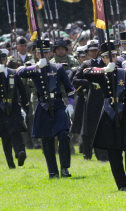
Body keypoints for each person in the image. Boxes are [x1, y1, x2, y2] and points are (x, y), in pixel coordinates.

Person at [83, 42, 126, 191]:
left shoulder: (125, 73)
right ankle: (121, 184)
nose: (112, 58)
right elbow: (86, 72)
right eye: (108, 56)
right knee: (113, 150)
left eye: (114, 55)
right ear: (103, 59)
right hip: (109, 113)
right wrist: (103, 69)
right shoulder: (101, 73)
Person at [17, 40, 76, 178]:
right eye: (40, 52)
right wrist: (36, 67)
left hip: (58, 105)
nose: (43, 54)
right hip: (42, 106)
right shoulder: (33, 68)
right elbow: (19, 73)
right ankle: (53, 171)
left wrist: (71, 104)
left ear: (50, 53)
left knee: (63, 135)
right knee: (47, 140)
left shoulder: (58, 68)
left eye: (46, 52)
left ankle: (64, 168)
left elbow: (70, 89)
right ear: (36, 54)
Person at [71, 39, 109, 162]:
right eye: (91, 51)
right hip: (92, 96)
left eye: (95, 50)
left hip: (104, 96)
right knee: (89, 127)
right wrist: (90, 83)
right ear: (88, 52)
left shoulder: (105, 63)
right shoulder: (86, 64)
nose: (94, 53)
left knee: (104, 125)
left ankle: (103, 154)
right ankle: (87, 153)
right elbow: (75, 80)